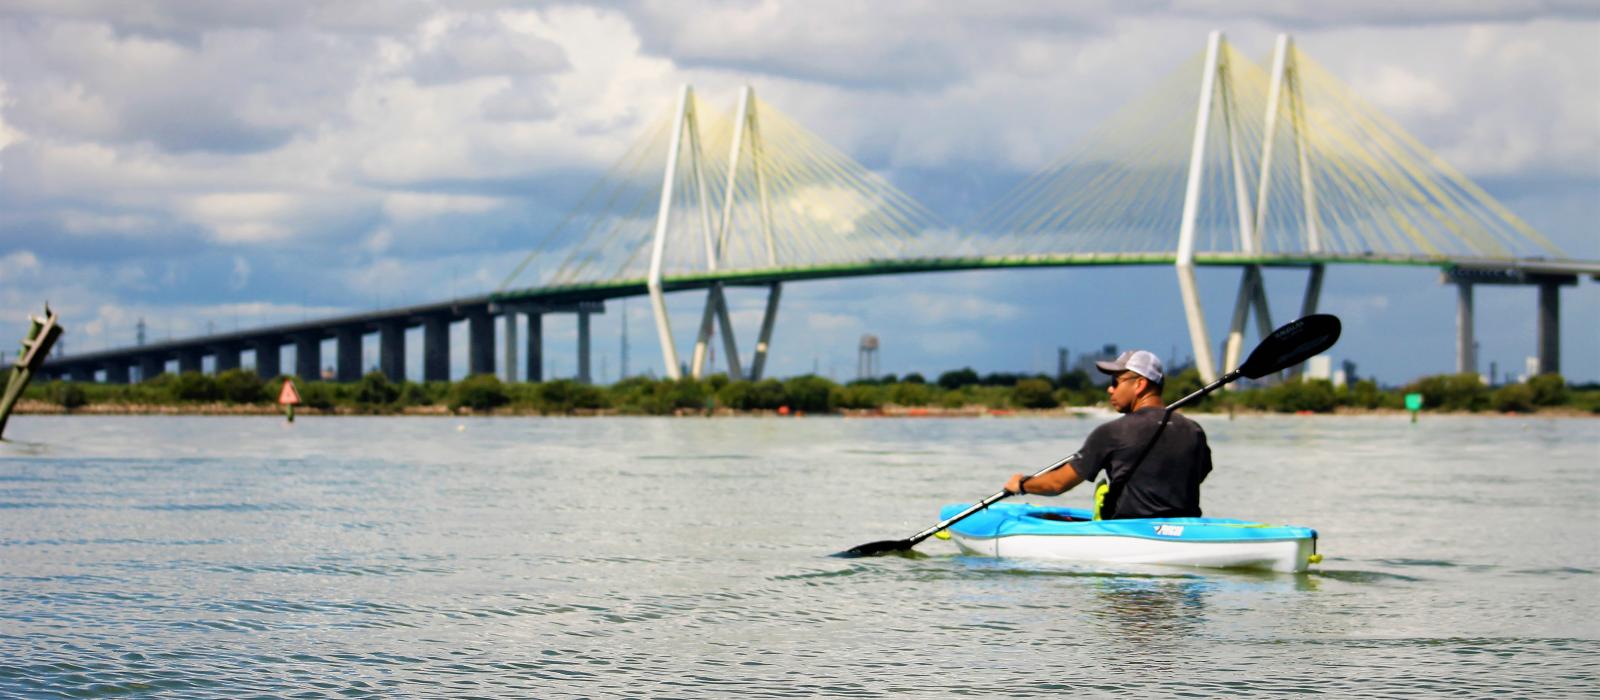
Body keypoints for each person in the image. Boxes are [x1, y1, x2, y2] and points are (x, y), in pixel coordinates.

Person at [1003, 350, 1211, 519]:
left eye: (1115, 382)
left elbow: (1058, 484)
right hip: (1187, 529)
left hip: (1130, 536)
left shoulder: (1113, 432)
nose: (1110, 390)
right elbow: (1199, 475)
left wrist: (1022, 484)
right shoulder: (1194, 430)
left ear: (1139, 384)